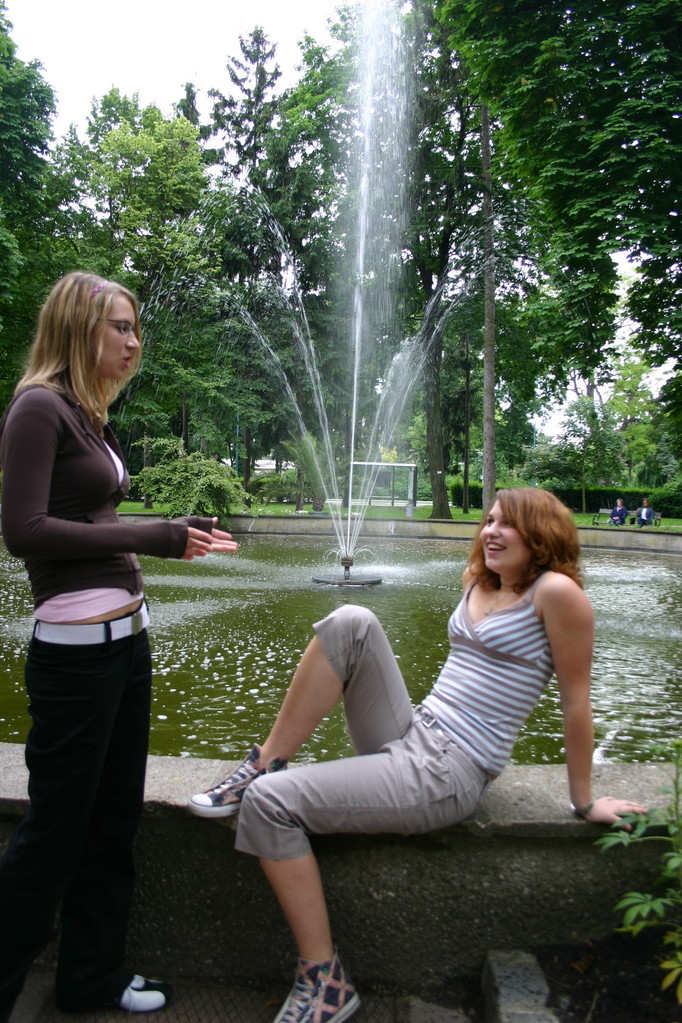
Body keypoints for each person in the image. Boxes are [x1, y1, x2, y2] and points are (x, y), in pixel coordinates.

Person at [187, 487, 645, 1023]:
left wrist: (584, 802)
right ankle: (261, 764)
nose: (490, 531)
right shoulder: (480, 580)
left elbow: (576, 705)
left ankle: (325, 981)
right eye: (488, 520)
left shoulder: (558, 593)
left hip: (449, 770)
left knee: (271, 805)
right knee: (350, 621)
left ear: (541, 534)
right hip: (413, 731)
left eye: (508, 524)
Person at [0, 271, 238, 1023]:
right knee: (53, 837)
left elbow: (89, 520)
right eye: (121, 328)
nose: (134, 344)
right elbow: (23, 532)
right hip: (76, 656)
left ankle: (90, 979)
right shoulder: (37, 408)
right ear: (79, 328)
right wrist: (156, 534)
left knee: (112, 825)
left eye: (136, 329)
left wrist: (155, 539)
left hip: (125, 647)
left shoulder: (86, 414)